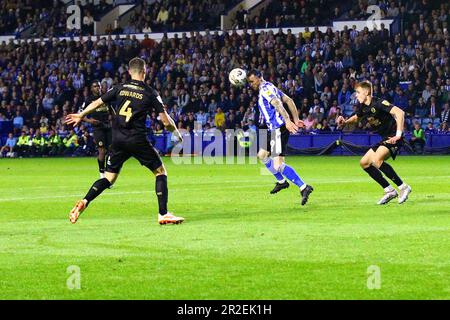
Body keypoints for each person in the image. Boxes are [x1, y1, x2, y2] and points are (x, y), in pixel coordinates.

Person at [65, 57, 184, 225]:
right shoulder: (150, 92)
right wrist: (176, 133)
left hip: (118, 139)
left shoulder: (119, 88)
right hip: (136, 139)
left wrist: (81, 115)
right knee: (160, 172)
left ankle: (85, 201)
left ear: (129, 72)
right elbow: (165, 121)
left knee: (108, 178)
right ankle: (163, 213)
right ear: (145, 71)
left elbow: (97, 102)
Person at [337, 81, 411, 205]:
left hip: (394, 137)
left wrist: (398, 135)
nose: (356, 95)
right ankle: (389, 190)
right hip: (384, 138)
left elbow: (400, 113)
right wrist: (345, 122)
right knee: (364, 163)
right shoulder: (363, 107)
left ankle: (403, 187)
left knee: (377, 160)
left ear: (366, 92)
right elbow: (357, 117)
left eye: (358, 92)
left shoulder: (379, 103)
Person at [246, 69, 313, 205]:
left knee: (278, 164)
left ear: (259, 77)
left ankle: (303, 187)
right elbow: (288, 100)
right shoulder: (270, 86)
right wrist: (296, 119)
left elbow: (278, 104)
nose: (251, 84)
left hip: (277, 129)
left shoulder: (266, 89)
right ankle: (282, 182)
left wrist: (288, 121)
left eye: (252, 81)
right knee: (262, 155)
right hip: (272, 130)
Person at [80, 81, 112, 178]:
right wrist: (90, 121)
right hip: (98, 128)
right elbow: (81, 115)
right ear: (91, 89)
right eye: (95, 86)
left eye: (98, 86)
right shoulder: (88, 100)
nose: (97, 88)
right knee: (102, 151)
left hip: (108, 126)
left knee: (111, 150)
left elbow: (111, 110)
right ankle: (102, 174)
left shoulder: (105, 97)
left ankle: (109, 172)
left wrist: (114, 119)